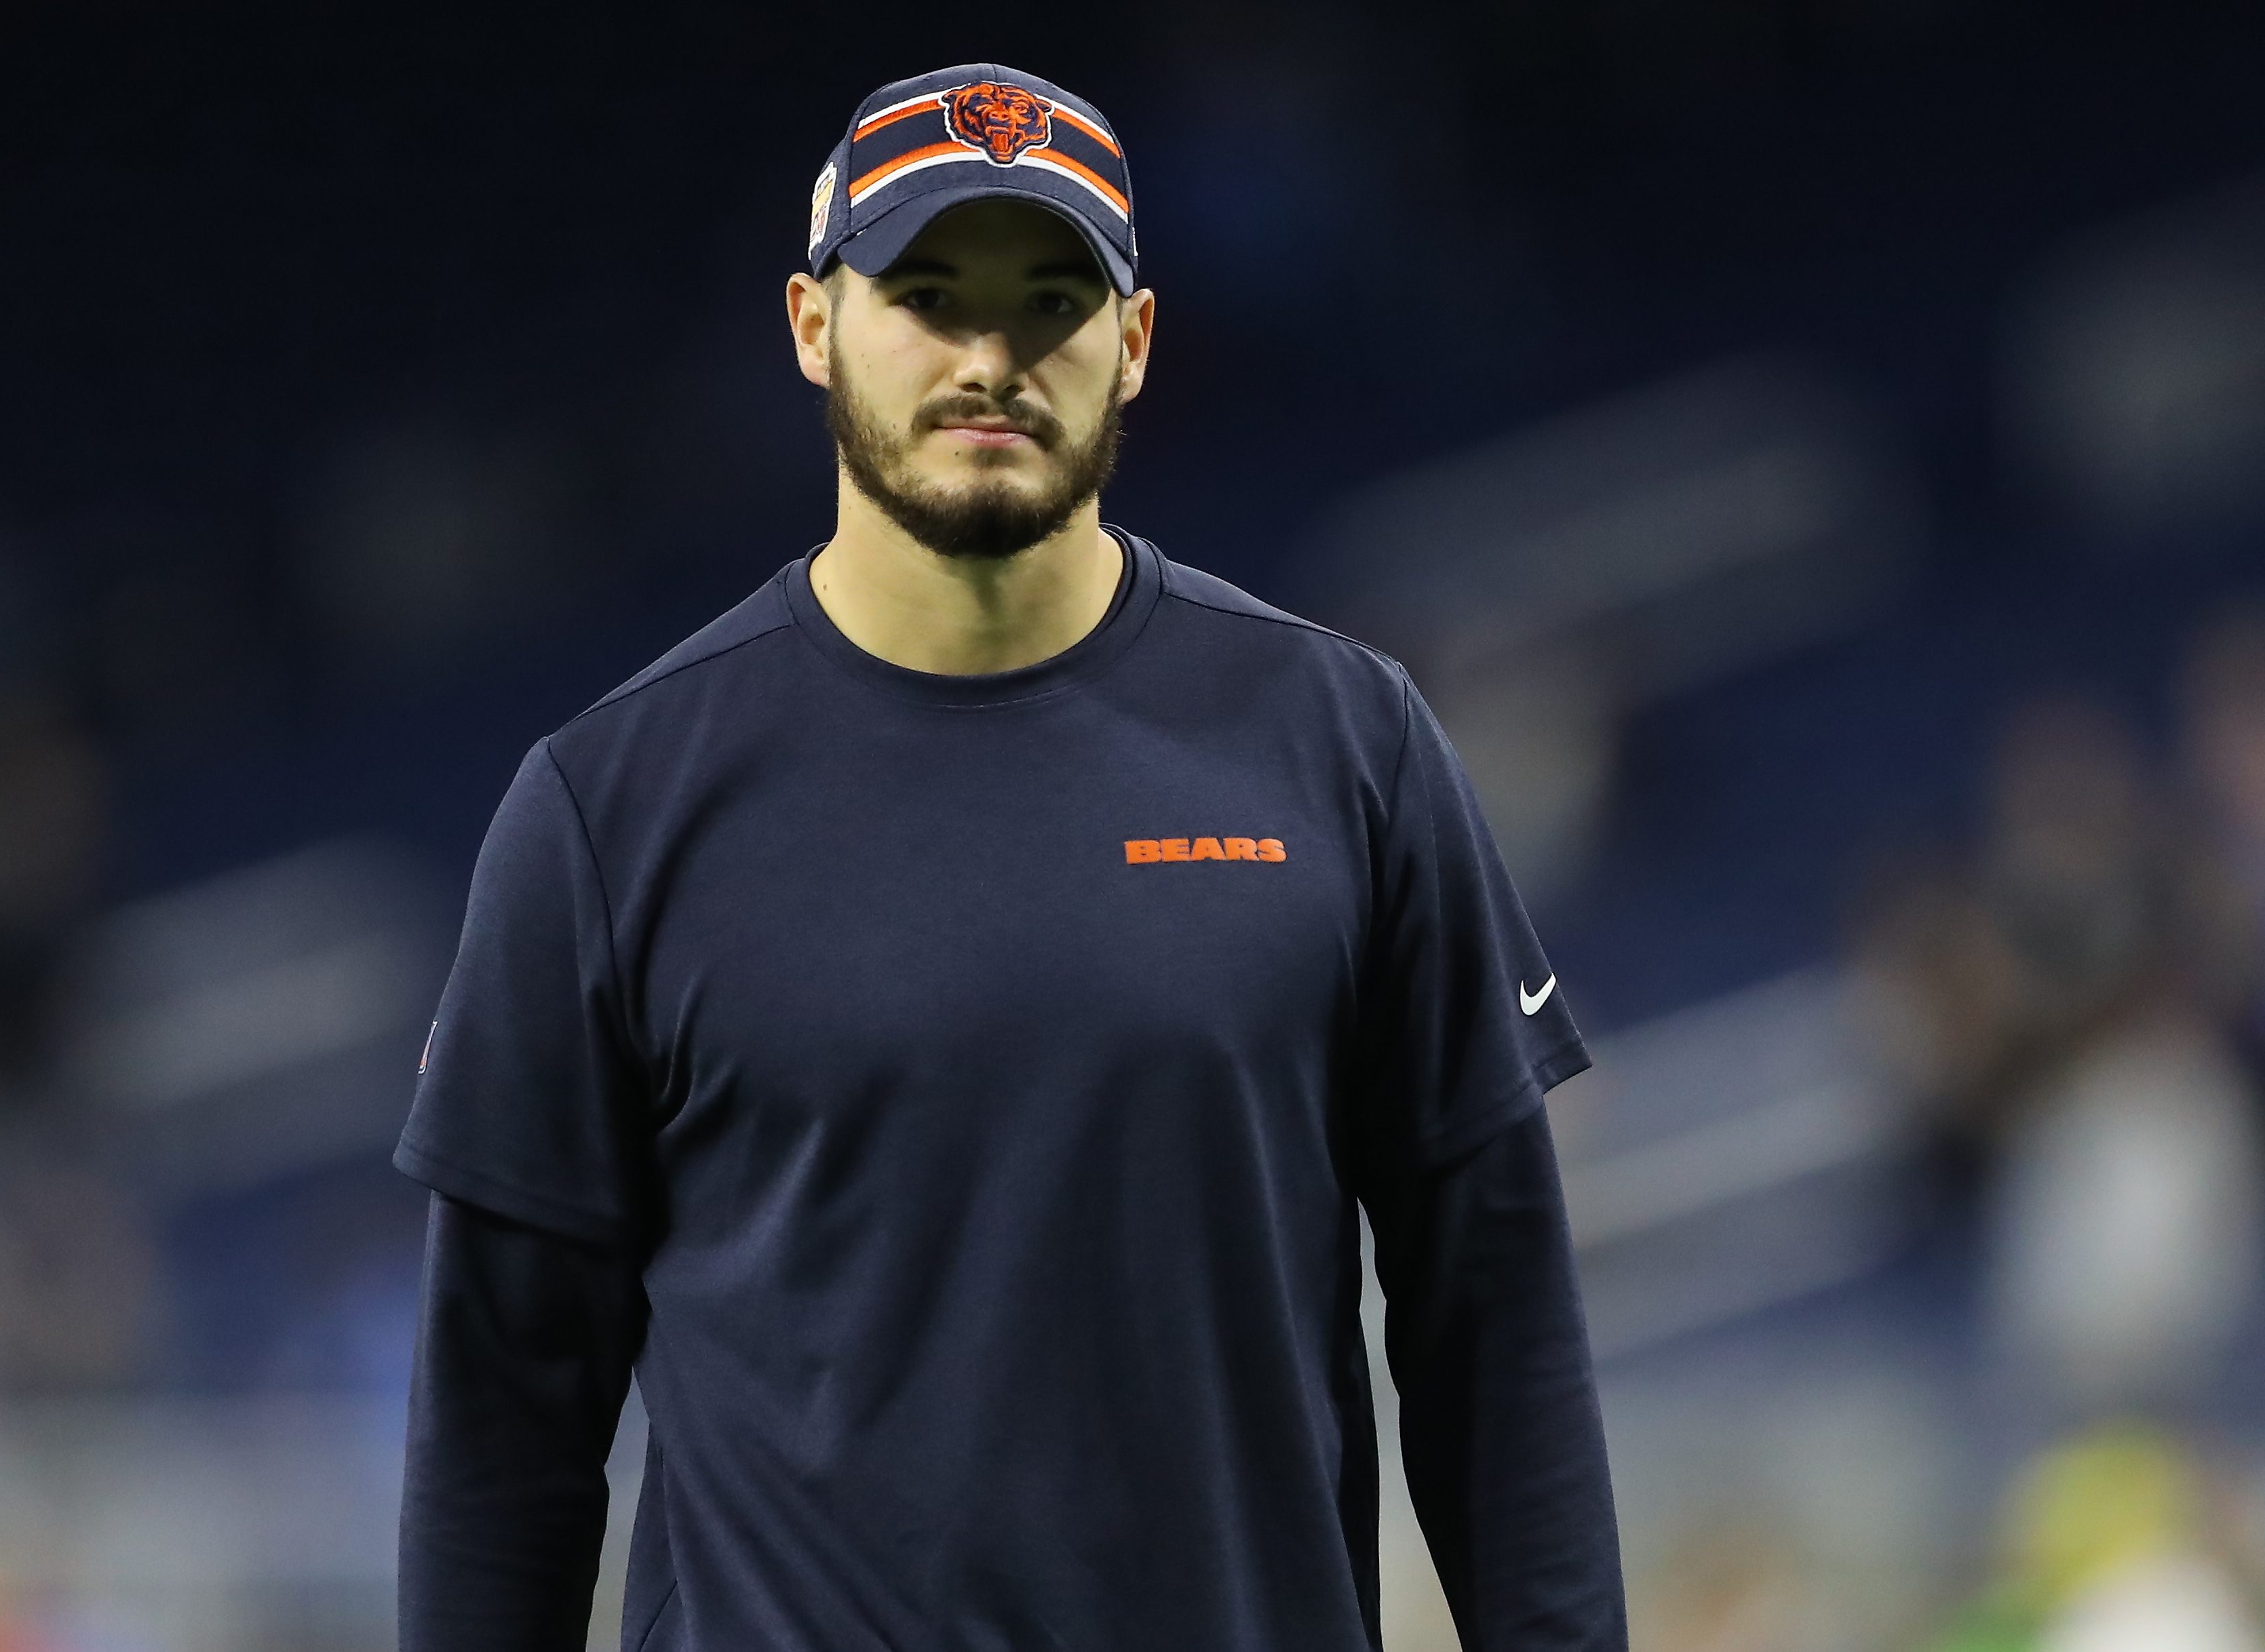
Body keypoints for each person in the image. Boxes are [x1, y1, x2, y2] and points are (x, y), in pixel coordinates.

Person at [393, 64, 1624, 1651]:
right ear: (812, 324)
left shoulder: (1346, 745)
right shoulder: (608, 808)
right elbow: (504, 1425)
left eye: (1052, 298)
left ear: (1136, 345)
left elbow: (1496, 1327)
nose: (992, 359)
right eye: (926, 295)